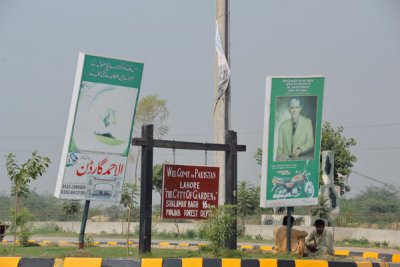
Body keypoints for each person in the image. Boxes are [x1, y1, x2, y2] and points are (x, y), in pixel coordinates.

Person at [276, 97, 314, 161]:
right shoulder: (283, 125)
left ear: (300, 108)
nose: (294, 110)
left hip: (301, 164)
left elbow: (310, 143)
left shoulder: (307, 122)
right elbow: (280, 148)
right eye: (292, 107)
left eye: (297, 107)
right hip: (286, 165)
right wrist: (279, 161)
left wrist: (300, 149)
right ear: (289, 109)